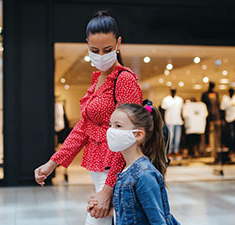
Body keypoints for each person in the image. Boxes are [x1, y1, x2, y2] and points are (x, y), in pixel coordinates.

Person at [34, 11, 143, 225]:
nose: (101, 55)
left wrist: (107, 189)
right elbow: (83, 128)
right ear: (87, 46)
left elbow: (128, 139)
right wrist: (52, 163)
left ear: (118, 43)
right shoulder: (98, 82)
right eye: (94, 50)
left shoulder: (124, 80)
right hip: (101, 172)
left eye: (107, 49)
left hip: (115, 172)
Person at [88, 103, 180, 225]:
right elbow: (132, 211)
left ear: (138, 134)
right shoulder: (125, 170)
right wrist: (103, 209)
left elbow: (157, 220)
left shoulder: (144, 175)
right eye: (110, 125)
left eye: (118, 126)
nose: (110, 131)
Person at [161, 89, 184, 159]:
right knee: (170, 137)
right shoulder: (166, 99)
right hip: (169, 121)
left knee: (177, 137)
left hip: (178, 120)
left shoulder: (180, 100)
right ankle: (169, 151)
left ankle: (176, 150)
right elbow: (163, 109)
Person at [220, 88, 235, 156]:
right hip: (228, 119)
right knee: (229, 135)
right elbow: (222, 110)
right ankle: (230, 149)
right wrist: (223, 119)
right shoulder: (225, 99)